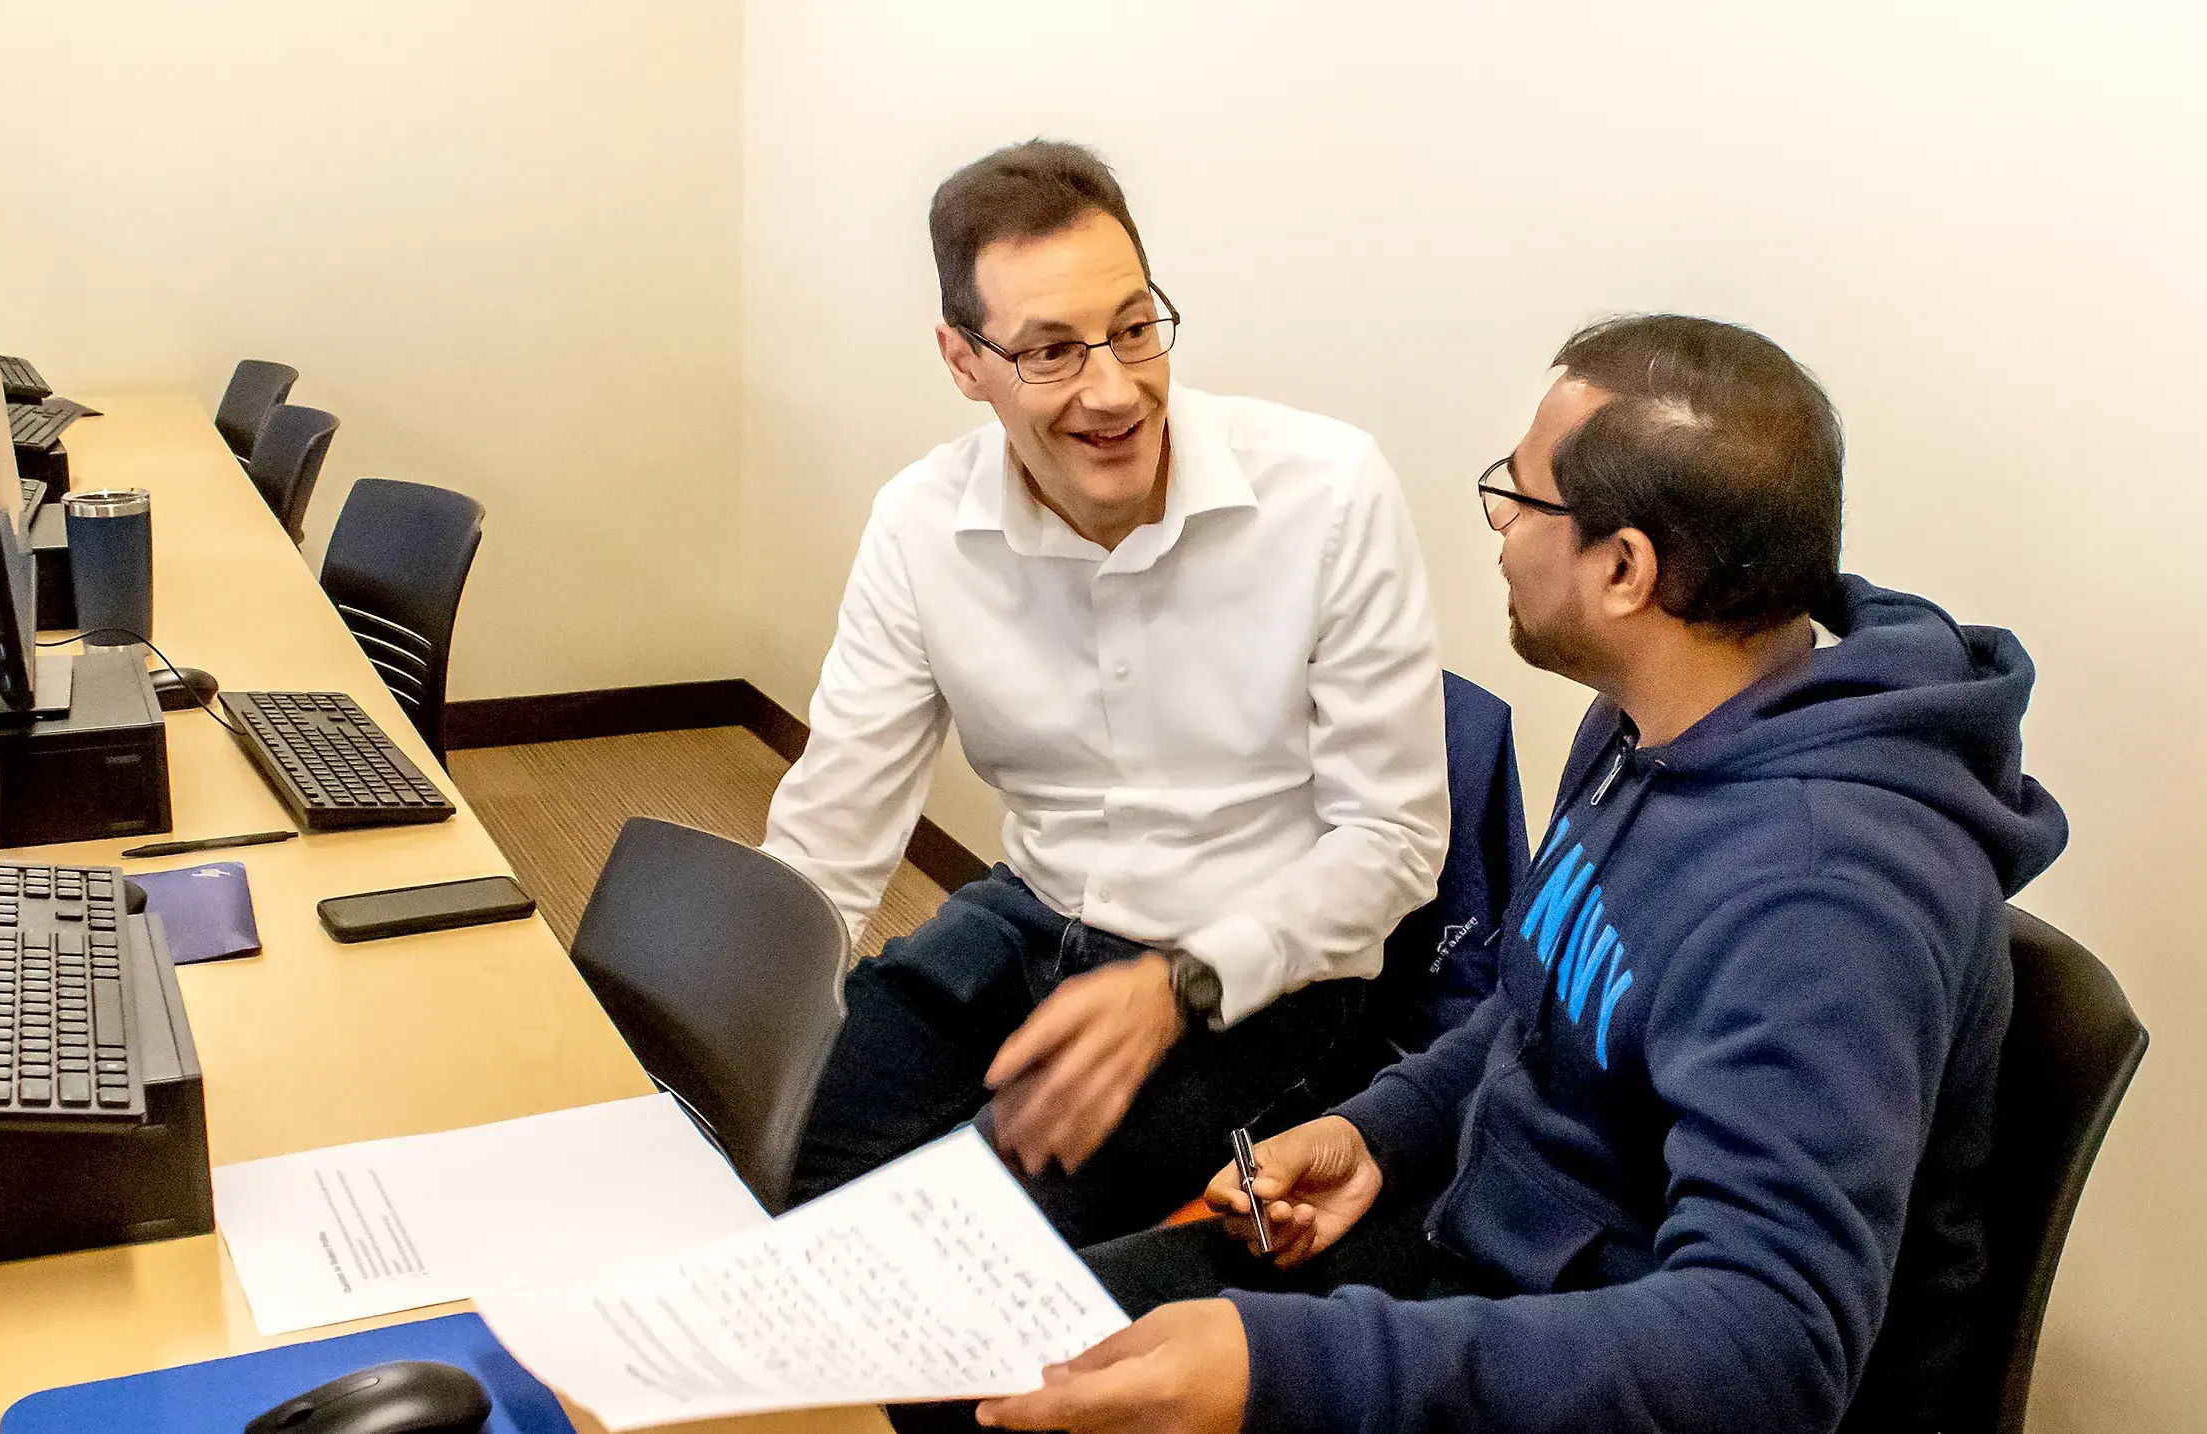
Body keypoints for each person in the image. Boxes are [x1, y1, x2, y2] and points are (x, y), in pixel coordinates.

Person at [965, 315, 2070, 1434]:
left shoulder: (1821, 903)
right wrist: (1383, 1133)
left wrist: (1298, 1372)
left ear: (1624, 569)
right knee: (1009, 1354)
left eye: (1520, 495)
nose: (1497, 528)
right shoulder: (1655, 721)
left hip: (1619, 1362)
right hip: (1498, 1261)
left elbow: (1766, 1350)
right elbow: (1553, 1004)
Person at [764, 139, 1451, 1245]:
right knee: (759, 1146)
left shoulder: (1326, 492)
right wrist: (747, 1016)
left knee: (958, 1245)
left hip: (1255, 977)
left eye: (1133, 329)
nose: (1115, 389)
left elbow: (1395, 839)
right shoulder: (920, 523)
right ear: (962, 360)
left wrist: (1180, 984)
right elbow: (832, 829)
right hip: (1028, 918)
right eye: (1050, 351)